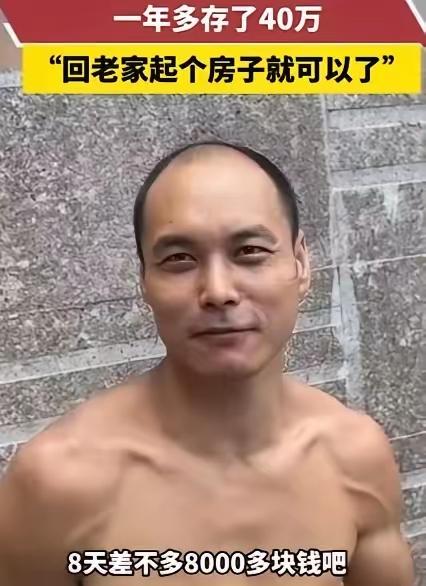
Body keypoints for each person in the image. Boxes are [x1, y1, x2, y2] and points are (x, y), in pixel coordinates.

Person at [0, 141, 414, 585]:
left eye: (249, 251)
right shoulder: (59, 481)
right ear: (145, 281)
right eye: (179, 259)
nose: (218, 291)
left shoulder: (354, 456)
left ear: (300, 263)